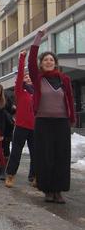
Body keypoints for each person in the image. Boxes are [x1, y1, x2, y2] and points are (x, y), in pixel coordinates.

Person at [28, 30, 75, 203]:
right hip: (43, 122)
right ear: (42, 64)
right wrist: (38, 39)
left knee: (61, 156)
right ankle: (47, 190)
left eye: (51, 60)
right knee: (45, 156)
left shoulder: (65, 79)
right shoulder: (37, 78)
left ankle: (58, 190)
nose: (48, 62)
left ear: (55, 63)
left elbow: (70, 100)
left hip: (61, 122)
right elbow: (31, 60)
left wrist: (71, 119)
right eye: (45, 60)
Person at [5, 49, 35, 188]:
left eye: (30, 77)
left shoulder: (36, 92)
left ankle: (34, 176)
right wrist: (22, 58)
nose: (27, 78)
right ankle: (10, 175)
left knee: (36, 153)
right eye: (25, 77)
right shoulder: (20, 91)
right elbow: (20, 75)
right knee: (16, 152)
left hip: (35, 127)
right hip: (21, 126)